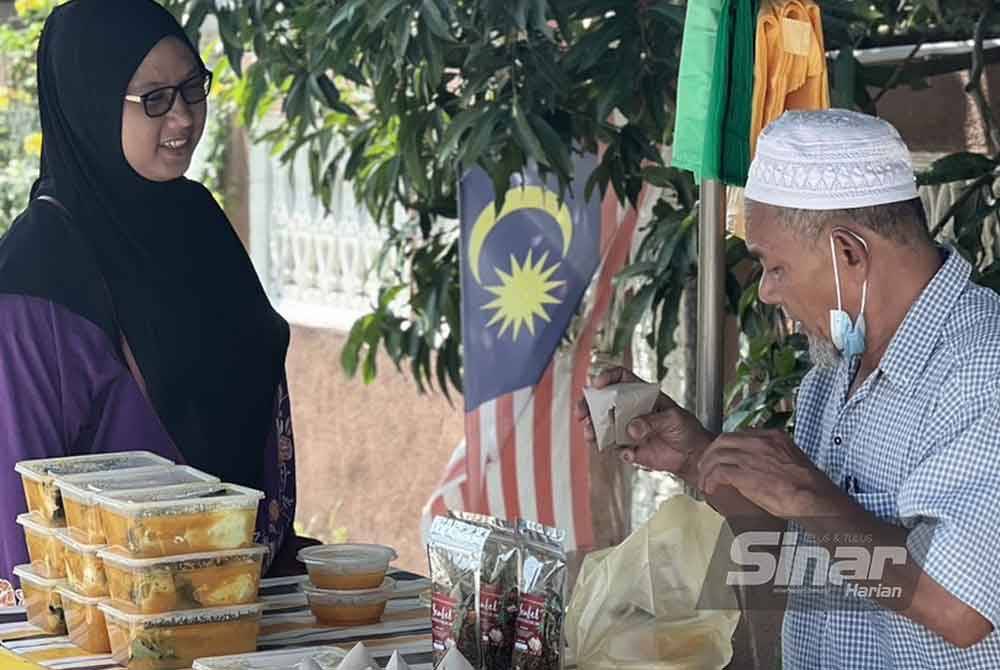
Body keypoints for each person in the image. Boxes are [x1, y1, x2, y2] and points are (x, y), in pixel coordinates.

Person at [578, 109, 1000, 667]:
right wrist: (700, 457)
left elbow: (959, 605)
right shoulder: (836, 365)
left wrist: (805, 492)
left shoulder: (980, 366)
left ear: (849, 253)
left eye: (774, 267)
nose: (769, 293)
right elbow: (804, 549)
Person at [0, 0, 315, 592]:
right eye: (154, 100)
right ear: (90, 102)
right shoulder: (36, 278)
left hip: (244, 597)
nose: (183, 119)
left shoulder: (200, 225)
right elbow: (13, 512)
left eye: (192, 89)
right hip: (112, 626)